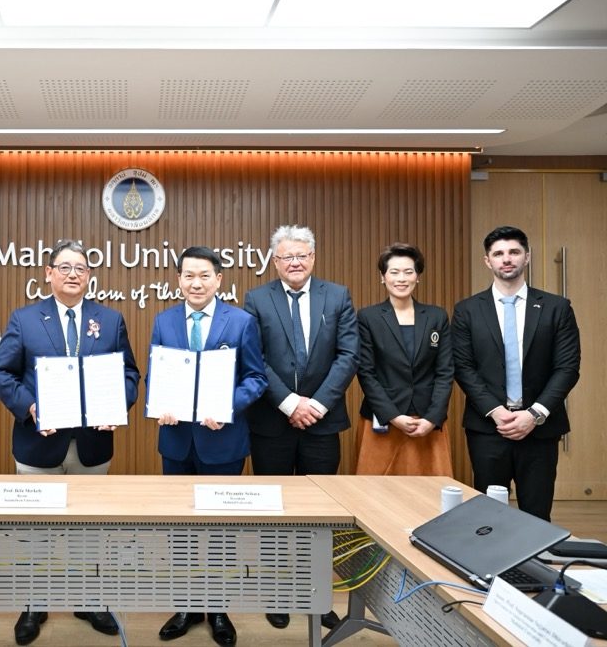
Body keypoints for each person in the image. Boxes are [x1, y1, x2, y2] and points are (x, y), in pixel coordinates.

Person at [0, 238, 140, 646]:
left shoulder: (109, 320)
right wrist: (30, 406)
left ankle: (89, 600)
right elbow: (2, 373)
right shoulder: (25, 319)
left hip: (92, 445)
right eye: (65, 267)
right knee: (36, 529)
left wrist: (117, 405)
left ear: (89, 276)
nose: (73, 274)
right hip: (39, 444)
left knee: (89, 527)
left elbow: (129, 374)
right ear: (49, 273)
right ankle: (34, 604)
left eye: (81, 268)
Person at [150, 246, 267, 647]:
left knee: (220, 531)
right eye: (189, 276)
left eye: (204, 276)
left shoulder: (241, 322)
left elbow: (255, 378)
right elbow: (155, 375)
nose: (196, 283)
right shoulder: (164, 321)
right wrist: (161, 404)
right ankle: (186, 606)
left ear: (219, 279)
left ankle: (217, 608)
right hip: (177, 442)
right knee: (180, 531)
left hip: (224, 442)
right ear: (178, 280)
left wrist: (227, 406)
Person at [243, 224, 357, 630]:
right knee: (274, 513)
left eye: (301, 255)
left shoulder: (337, 296)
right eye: (286, 256)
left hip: (322, 424)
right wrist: (290, 403)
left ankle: (317, 596)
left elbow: (348, 355)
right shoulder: (257, 299)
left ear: (313, 258)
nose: (294, 262)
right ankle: (276, 593)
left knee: (318, 515)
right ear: (275, 262)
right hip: (272, 423)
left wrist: (317, 404)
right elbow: (254, 357)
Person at [453, 226, 580, 521]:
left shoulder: (556, 308)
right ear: (487, 261)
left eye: (514, 252)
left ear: (527, 256)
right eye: (498, 253)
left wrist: (534, 414)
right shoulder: (467, 310)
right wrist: (496, 411)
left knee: (536, 518)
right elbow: (463, 367)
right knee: (487, 518)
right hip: (488, 428)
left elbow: (567, 367)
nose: (506, 259)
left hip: (540, 429)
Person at [355, 243, 453, 476]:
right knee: (375, 491)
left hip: (427, 421)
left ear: (418, 276)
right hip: (384, 419)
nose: (401, 278)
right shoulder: (368, 317)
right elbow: (366, 372)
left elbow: (445, 372)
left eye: (408, 272)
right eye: (394, 272)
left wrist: (432, 418)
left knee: (430, 491)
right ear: (383, 277)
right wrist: (393, 416)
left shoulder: (436, 316)